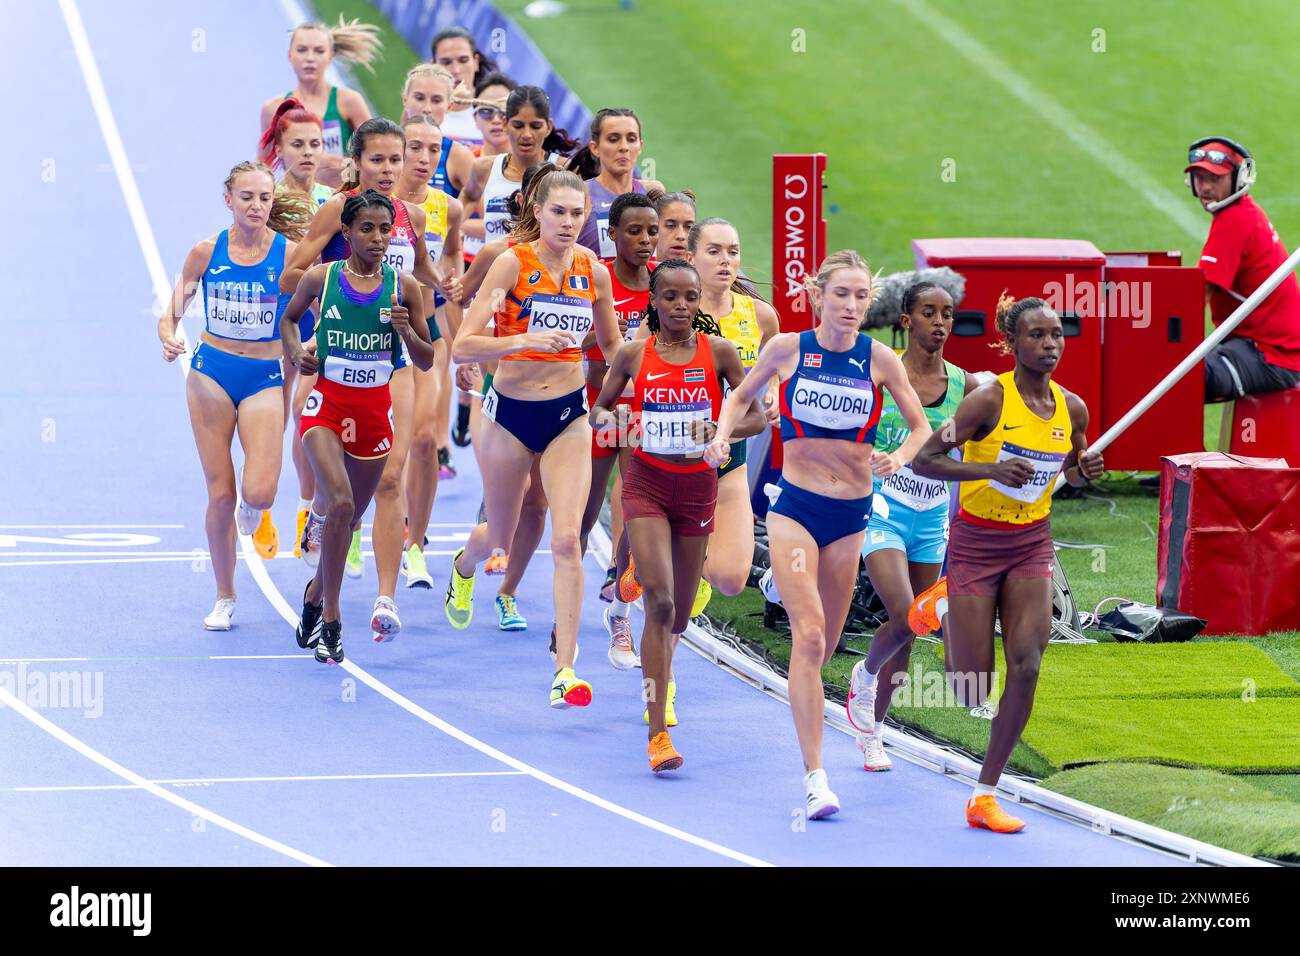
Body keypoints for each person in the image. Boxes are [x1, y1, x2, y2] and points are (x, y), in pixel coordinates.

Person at [708, 250, 930, 819]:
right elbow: (739, 395)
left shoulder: (880, 359)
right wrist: (720, 436)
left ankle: (793, 598)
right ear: (818, 296)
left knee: (826, 644)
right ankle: (815, 777)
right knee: (807, 640)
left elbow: (919, 425)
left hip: (851, 515)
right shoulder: (788, 350)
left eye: (862, 296)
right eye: (842, 295)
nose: (853, 306)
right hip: (796, 507)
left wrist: (900, 456)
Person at [908, 292, 1103, 833]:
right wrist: (989, 471)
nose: (1049, 345)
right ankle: (945, 608)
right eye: (1037, 336)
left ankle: (985, 793)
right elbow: (927, 459)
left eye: (1056, 335)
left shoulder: (1073, 408)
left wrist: (1086, 470)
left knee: (1028, 662)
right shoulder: (987, 401)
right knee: (971, 686)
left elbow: (1075, 468)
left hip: (1031, 544)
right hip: (975, 543)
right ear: (1012, 343)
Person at [446, 170, 621, 709]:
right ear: (537, 212)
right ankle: (464, 566)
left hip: (568, 414)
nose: (568, 223)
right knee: (500, 537)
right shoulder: (510, 263)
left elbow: (614, 346)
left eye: (577, 214)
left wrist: (652, 381)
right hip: (508, 416)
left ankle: (564, 668)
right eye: (558, 213)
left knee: (568, 540)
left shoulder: (593, 271)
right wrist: (522, 339)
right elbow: (464, 346)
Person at [593, 260, 765, 771]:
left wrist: (719, 434)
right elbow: (599, 411)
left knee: (681, 617)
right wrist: (622, 420)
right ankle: (657, 733)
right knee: (662, 604)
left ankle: (635, 575)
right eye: (670, 297)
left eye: (690, 298)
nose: (681, 307)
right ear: (655, 299)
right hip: (646, 486)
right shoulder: (632, 354)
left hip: (697, 491)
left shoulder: (720, 353)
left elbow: (755, 413)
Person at [282, 118, 445, 640]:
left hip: (390, 360)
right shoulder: (337, 211)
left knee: (389, 479)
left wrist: (452, 288)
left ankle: (384, 597)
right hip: (332, 354)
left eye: (396, 160)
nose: (388, 169)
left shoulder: (411, 216)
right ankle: (320, 520)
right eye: (377, 159)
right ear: (357, 162)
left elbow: (427, 281)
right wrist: (320, 326)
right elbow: (292, 278)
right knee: (333, 487)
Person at [157, 162, 296, 629]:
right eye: (247, 197)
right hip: (210, 373)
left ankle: (252, 509)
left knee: (260, 490)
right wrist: (168, 336)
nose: (256, 206)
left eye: (264, 198)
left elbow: (320, 313)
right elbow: (171, 313)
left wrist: (312, 347)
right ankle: (224, 595)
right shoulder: (206, 252)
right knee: (219, 494)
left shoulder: (289, 255)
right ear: (229, 200)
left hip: (262, 376)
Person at [843, 281, 974, 772]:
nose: (939, 322)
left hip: (932, 520)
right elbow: (848, 432)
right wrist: (871, 456)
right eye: (928, 313)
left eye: (947, 314)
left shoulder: (966, 387)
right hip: (882, 512)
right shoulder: (882, 373)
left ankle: (874, 732)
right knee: (905, 613)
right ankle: (867, 672)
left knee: (914, 628)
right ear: (906, 321)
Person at [578, 192, 658, 661]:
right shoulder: (598, 280)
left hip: (644, 418)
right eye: (634, 231)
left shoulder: (665, 285)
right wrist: (612, 339)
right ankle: (562, 613)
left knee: (636, 506)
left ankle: (620, 603)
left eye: (652, 231)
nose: (645, 240)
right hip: (596, 409)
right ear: (612, 234)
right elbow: (578, 341)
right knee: (584, 516)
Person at [258, 98, 334, 558]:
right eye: (298, 144)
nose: (309, 152)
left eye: (316, 144)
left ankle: (306, 510)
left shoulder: (331, 198)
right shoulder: (268, 198)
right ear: (279, 148)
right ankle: (264, 503)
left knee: (309, 414)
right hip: (280, 311)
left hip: (321, 314)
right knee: (276, 413)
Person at [394, 115, 463, 588]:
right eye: (414, 148)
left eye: (432, 150)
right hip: (373, 338)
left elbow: (448, 260)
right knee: (383, 446)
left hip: (426, 335)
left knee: (423, 442)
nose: (424, 158)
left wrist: (452, 281)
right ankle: (358, 522)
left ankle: (414, 544)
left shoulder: (447, 208)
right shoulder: (373, 201)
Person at [1184, 137, 1300, 402]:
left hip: (1271, 356)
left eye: (1215, 179)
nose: (1206, 187)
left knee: (1178, 382)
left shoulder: (1235, 220)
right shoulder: (1244, 212)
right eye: (1200, 178)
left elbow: (1197, 297)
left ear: (1237, 179)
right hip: (1263, 347)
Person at [459, 86, 580, 263]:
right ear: (505, 124)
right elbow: (463, 204)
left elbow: (580, 221)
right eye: (518, 125)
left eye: (535, 126)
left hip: (543, 283)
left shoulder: (565, 169)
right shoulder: (484, 168)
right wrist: (450, 239)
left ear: (548, 127)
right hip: (491, 279)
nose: (527, 134)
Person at [258, 18, 376, 188]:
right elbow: (263, 169)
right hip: (297, 205)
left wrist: (340, 166)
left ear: (330, 57)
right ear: (290, 55)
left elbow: (375, 158)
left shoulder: (349, 102)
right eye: (302, 50)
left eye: (319, 51)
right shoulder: (273, 109)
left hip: (341, 203)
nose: (310, 58)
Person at [568, 108, 663, 257]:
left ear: (640, 146)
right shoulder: (580, 195)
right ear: (595, 148)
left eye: (631, 139)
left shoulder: (652, 193)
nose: (624, 147)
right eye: (613, 139)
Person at [430, 26, 500, 147]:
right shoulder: (422, 114)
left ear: (476, 62)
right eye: (446, 62)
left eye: (463, 60)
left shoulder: (497, 114)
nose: (456, 70)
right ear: (433, 65)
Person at [652, 190, 696, 262]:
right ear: (653, 229)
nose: (681, 236)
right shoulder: (636, 271)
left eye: (689, 227)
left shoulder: (705, 271)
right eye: (671, 226)